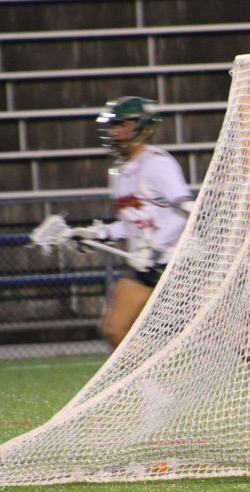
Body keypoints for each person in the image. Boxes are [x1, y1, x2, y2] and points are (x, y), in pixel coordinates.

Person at [69, 96, 193, 348]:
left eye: (123, 125)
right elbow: (132, 224)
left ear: (143, 127)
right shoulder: (120, 172)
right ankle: (151, 390)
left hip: (182, 262)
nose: (116, 132)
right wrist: (98, 233)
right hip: (146, 265)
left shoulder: (157, 163)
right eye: (114, 126)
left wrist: (155, 248)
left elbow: (187, 210)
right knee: (115, 330)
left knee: (220, 332)